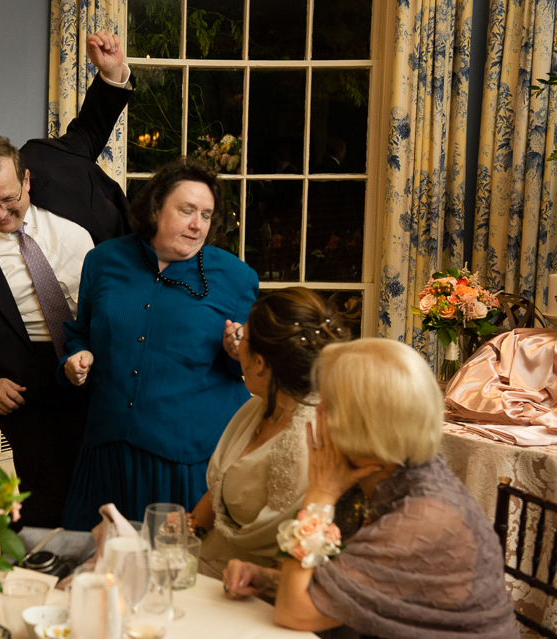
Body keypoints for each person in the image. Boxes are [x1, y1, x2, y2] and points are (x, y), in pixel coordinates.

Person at [0, 33, 132, 529]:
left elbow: (88, 130)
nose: (1, 212)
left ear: (28, 179)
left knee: (119, 485)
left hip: (106, 354)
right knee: (48, 502)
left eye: (10, 199)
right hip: (32, 380)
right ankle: (42, 589)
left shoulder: (52, 165)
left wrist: (111, 73)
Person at [222, 339, 518, 638]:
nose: (317, 414)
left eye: (325, 405)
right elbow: (350, 588)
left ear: (356, 425)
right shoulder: (393, 476)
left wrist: (319, 496)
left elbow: (294, 612)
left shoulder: (422, 517)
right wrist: (266, 579)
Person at [60, 157, 259, 530]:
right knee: (98, 566)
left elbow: (247, 366)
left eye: (206, 214)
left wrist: (238, 352)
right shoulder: (103, 261)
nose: (197, 224)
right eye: (187, 211)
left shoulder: (235, 277)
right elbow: (80, 332)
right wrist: (76, 356)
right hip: (107, 451)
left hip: (183, 462)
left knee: (174, 571)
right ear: (155, 209)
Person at [190, 287, 351, 578]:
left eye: (244, 339)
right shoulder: (256, 408)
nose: (237, 346)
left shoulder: (307, 446)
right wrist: (182, 539)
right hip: (205, 563)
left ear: (261, 363)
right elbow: (219, 492)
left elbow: (296, 562)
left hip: (253, 588)